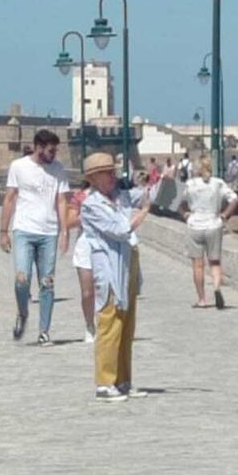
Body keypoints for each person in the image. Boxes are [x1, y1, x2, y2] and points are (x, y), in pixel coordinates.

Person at [78, 151, 151, 402]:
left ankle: (123, 379)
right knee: (110, 322)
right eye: (107, 173)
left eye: (113, 171)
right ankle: (104, 382)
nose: (113, 176)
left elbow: (145, 194)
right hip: (108, 268)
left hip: (128, 264)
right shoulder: (91, 205)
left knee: (127, 324)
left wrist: (153, 184)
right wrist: (143, 213)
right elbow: (119, 229)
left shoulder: (120, 197)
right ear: (94, 178)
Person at [0, 129, 72, 346]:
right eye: (51, 150)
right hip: (23, 230)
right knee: (21, 279)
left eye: (56, 150)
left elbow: (62, 201)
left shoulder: (58, 170)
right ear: (39, 147)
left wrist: (65, 231)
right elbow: (10, 199)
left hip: (49, 233)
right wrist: (3, 231)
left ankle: (44, 331)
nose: (54, 154)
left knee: (47, 283)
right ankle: (22, 313)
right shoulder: (19, 167)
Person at [181, 153, 237, 309]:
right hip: (214, 224)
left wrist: (184, 214)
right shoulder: (217, 183)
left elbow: (176, 200)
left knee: (198, 265)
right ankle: (217, 288)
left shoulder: (190, 184)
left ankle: (202, 299)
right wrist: (225, 215)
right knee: (215, 262)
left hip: (194, 225)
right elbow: (234, 199)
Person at [69, 184, 97, 343]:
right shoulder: (81, 196)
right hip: (86, 245)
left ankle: (106, 326)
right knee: (87, 292)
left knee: (106, 290)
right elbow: (69, 220)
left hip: (107, 244)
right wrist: (86, 215)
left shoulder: (112, 194)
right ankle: (89, 324)